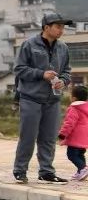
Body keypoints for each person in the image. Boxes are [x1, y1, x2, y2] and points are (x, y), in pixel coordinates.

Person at [13, 12, 73, 183]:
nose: (62, 30)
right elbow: (19, 69)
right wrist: (42, 74)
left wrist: (63, 81)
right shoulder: (29, 45)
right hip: (31, 98)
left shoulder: (63, 48)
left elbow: (67, 71)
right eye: (58, 26)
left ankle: (46, 171)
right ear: (46, 28)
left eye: (63, 27)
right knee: (28, 137)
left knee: (48, 137)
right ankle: (20, 170)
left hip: (52, 100)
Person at [57, 85, 88, 182]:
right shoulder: (86, 108)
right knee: (80, 154)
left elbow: (69, 123)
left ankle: (83, 168)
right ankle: (80, 171)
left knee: (71, 155)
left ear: (74, 98)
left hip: (75, 137)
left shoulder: (74, 108)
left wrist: (62, 134)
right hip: (84, 137)